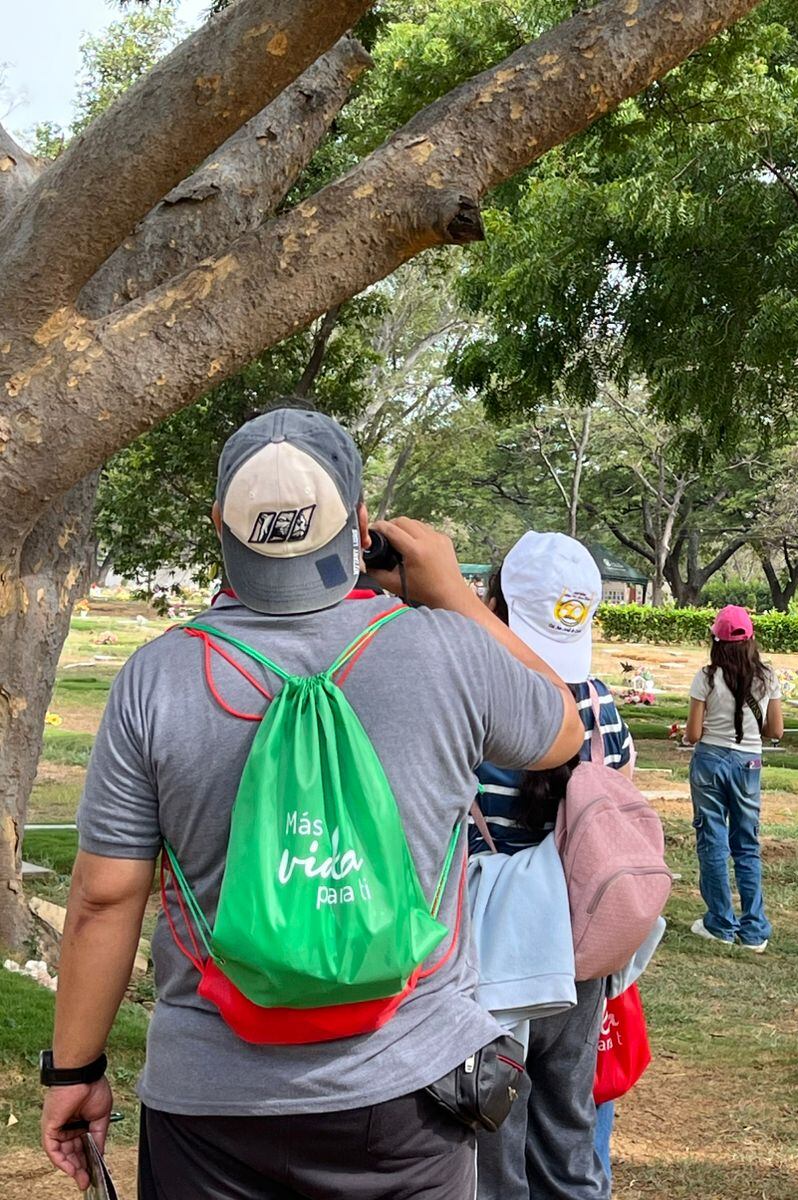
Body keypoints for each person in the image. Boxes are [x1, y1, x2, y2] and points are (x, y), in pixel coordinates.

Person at [43, 407, 582, 1198]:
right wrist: (451, 595)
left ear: (219, 525)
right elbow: (563, 727)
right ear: (360, 525)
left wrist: (75, 1070)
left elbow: (103, 896)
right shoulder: (446, 652)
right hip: (410, 1095)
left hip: (210, 1106)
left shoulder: (155, 680)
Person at [472, 531, 636, 1200]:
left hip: (492, 955)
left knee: (493, 1144)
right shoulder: (600, 701)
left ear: (496, 603)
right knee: (568, 1139)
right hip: (579, 950)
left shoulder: (475, 697)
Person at [685, 604, 783, 951]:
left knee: (712, 840)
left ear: (716, 641)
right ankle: (753, 929)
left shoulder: (707, 677)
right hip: (748, 764)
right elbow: (776, 731)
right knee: (746, 845)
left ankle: (720, 923)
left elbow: (694, 734)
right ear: (751, 639)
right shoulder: (767, 677)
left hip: (710, 761)